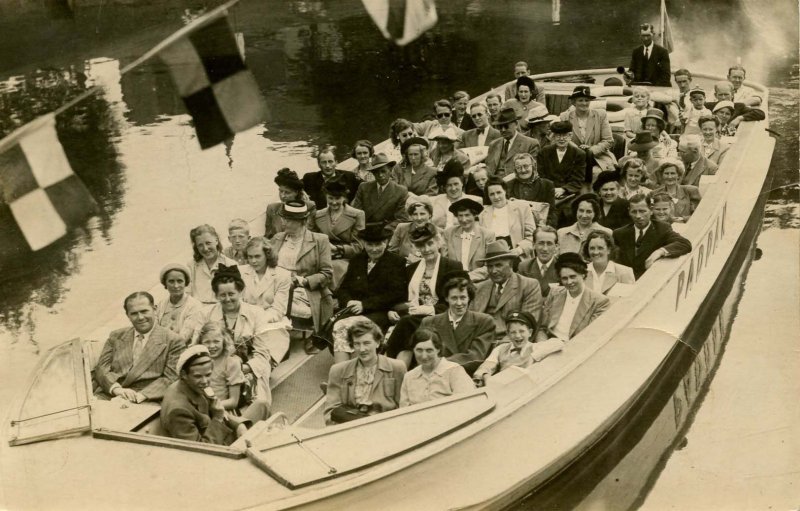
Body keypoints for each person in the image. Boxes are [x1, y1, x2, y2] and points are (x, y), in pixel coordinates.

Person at [199, 266, 290, 407]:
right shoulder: (206, 314)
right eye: (222, 295)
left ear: (240, 292)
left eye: (232, 294)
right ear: (216, 295)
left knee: (258, 405)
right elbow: (196, 347)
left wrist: (240, 369)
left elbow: (262, 354)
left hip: (247, 369)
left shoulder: (256, 313)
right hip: (214, 369)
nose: (227, 299)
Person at [384, 224, 464, 367]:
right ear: (416, 248)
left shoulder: (452, 266)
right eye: (421, 246)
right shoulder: (411, 269)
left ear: (438, 242)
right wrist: (393, 310)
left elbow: (459, 300)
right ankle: (399, 376)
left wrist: (429, 309)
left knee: (406, 324)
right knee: (407, 331)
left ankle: (390, 368)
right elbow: (399, 298)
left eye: (430, 243)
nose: (426, 249)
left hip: (442, 317)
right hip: (413, 317)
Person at [94, 292, 185, 402]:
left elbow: (170, 378)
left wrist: (139, 396)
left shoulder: (173, 340)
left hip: (148, 399)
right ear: (127, 315)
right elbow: (101, 368)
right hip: (111, 394)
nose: (140, 317)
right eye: (134, 313)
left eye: (144, 311)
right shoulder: (116, 336)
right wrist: (116, 389)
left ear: (155, 309)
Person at [334, 225, 408, 359]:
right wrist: (349, 301)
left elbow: (397, 293)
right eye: (370, 244)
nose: (374, 249)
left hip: (381, 311)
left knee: (357, 330)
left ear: (385, 243)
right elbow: (343, 289)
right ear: (364, 244)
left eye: (378, 244)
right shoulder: (357, 260)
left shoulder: (396, 262)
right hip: (354, 310)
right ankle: (342, 373)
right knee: (339, 326)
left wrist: (364, 304)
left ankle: (360, 370)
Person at [270, 202, 334, 351]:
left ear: (301, 222)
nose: (283, 222)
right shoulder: (277, 238)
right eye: (283, 218)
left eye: (288, 219)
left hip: (305, 290)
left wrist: (303, 280)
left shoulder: (320, 240)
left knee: (277, 303)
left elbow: (327, 274)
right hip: (277, 286)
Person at [160, 345, 251, 445]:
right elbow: (200, 450)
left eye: (208, 375)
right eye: (198, 376)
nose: (205, 381)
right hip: (215, 450)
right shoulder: (177, 410)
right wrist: (218, 418)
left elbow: (218, 409)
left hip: (221, 436)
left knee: (261, 405)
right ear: (183, 374)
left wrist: (238, 425)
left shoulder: (193, 385)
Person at [324, 318, 406, 424]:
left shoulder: (397, 367)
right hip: (349, 426)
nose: (362, 349)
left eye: (366, 343)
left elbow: (403, 408)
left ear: (377, 343)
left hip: (385, 427)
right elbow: (330, 412)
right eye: (357, 344)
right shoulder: (338, 370)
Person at [418, 273, 496, 374]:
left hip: (468, 375)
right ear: (446, 298)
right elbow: (422, 354)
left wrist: (441, 364)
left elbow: (475, 356)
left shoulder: (484, 321)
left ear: (469, 298)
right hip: (434, 375)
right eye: (454, 298)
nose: (459, 303)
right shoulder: (429, 322)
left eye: (463, 298)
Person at [469, 240, 543, 338]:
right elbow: (470, 321)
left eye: (498, 265)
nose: (493, 271)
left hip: (512, 340)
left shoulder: (529, 285)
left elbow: (527, 324)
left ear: (511, 264)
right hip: (480, 340)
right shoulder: (480, 287)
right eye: (490, 266)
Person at [196, 321, 268, 420]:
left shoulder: (231, 362)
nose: (212, 346)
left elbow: (233, 401)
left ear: (224, 341)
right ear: (200, 343)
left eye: (216, 341)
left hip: (222, 410)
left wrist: (209, 407)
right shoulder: (198, 360)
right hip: (198, 408)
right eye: (207, 342)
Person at [472, 311, 564, 386]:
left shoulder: (535, 347)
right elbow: (487, 365)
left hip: (524, 388)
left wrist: (532, 357)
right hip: (501, 386)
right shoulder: (501, 349)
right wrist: (485, 375)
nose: (518, 336)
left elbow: (558, 343)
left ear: (530, 332)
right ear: (508, 334)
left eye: (522, 331)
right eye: (513, 332)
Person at [612, 193, 692, 279]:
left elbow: (684, 244)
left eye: (642, 211)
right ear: (629, 211)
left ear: (651, 210)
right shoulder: (619, 233)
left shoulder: (662, 228)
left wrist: (660, 252)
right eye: (634, 212)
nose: (638, 216)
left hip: (650, 280)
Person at [536, 252, 611, 341]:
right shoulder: (554, 293)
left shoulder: (600, 302)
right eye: (564, 278)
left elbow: (591, 336)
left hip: (576, 347)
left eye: (573, 277)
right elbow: (542, 328)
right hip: (549, 344)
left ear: (583, 274)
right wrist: (543, 344)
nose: (569, 282)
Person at [310, 177, 365, 288]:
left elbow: (359, 246)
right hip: (320, 256)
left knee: (334, 269)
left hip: (344, 258)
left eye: (338, 198)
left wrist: (337, 249)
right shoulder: (317, 215)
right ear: (325, 197)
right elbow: (309, 239)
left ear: (344, 197)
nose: (334, 202)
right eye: (330, 198)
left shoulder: (357, 214)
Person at [399, 328, 475, 407]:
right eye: (419, 350)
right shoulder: (409, 377)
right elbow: (404, 410)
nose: (424, 356)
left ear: (438, 349)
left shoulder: (454, 370)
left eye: (429, 350)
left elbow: (466, 404)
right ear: (413, 350)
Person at [559, 86, 616, 180]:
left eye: (587, 100)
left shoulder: (601, 115)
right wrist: (578, 150)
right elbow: (563, 138)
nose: (584, 103)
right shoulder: (565, 117)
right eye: (580, 100)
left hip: (599, 157)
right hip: (573, 157)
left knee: (597, 174)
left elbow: (608, 140)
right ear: (573, 102)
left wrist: (590, 150)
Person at [537, 120, 586, 224]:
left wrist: (564, 189)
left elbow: (578, 178)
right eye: (558, 135)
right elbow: (541, 175)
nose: (562, 139)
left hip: (570, 193)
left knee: (568, 212)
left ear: (570, 136)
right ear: (553, 137)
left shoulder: (579, 154)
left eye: (565, 135)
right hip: (548, 191)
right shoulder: (544, 152)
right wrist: (552, 189)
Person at [480, 176, 535, 257]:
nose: (496, 197)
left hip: (518, 254)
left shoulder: (522, 208)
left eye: (499, 192)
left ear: (505, 191)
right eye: (492, 194)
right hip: (493, 256)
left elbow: (532, 237)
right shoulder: (483, 214)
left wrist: (519, 250)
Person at [352, 153, 409, 231]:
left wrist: (385, 229)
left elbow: (402, 219)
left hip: (387, 231)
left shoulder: (401, 191)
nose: (380, 175)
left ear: (390, 170)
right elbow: (356, 212)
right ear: (372, 173)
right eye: (376, 172)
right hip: (364, 230)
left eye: (383, 171)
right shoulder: (364, 187)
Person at [442, 197, 495, 281]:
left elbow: (489, 265)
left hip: (479, 281)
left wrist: (468, 277)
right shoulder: (449, 233)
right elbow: (444, 262)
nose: (464, 220)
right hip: (453, 280)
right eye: (460, 215)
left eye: (467, 215)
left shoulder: (487, 235)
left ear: (475, 215)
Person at [240, 236, 291, 320]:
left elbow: (278, 310)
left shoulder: (282, 275)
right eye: (250, 257)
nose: (253, 261)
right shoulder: (240, 272)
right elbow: (238, 302)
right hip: (244, 319)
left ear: (267, 255)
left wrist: (258, 319)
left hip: (270, 321)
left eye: (257, 256)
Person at [187, 224, 238, 304]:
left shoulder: (230, 264)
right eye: (200, 245)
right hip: (197, 311)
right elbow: (187, 294)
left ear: (216, 241)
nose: (205, 248)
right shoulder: (191, 265)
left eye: (208, 243)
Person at [155, 263, 204, 344]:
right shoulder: (161, 305)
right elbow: (154, 331)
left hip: (182, 348)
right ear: (165, 284)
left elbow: (184, 337)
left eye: (180, 281)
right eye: (171, 281)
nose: (176, 285)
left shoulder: (194, 305)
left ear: (185, 283)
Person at [485, 106, 540, 178]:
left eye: (506, 126)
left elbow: (532, 170)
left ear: (516, 124)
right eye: (500, 127)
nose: (503, 130)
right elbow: (489, 168)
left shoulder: (531, 144)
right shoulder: (493, 144)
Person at [506, 153, 557, 227]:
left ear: (533, 166)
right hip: (516, 226)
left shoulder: (547, 185)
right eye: (519, 167)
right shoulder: (508, 185)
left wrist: (547, 227)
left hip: (539, 227)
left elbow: (552, 212)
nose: (523, 170)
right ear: (515, 169)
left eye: (526, 166)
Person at [302, 145, 359, 209]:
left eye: (330, 161)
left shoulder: (349, 176)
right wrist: (302, 193)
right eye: (324, 162)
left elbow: (363, 189)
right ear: (318, 164)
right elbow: (293, 184)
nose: (327, 166)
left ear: (336, 162)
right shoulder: (309, 178)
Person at [264, 168, 315, 239]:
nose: (282, 195)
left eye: (287, 192)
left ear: (296, 192)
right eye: (281, 191)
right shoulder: (272, 208)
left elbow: (309, 232)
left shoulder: (309, 207)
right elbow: (268, 236)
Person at [431, 160, 482, 229]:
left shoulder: (475, 200)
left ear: (462, 183)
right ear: (445, 187)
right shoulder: (434, 200)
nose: (453, 188)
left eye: (456, 184)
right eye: (449, 185)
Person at [388, 196, 440, 264]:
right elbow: (391, 254)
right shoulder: (402, 228)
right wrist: (404, 261)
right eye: (415, 214)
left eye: (422, 214)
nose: (419, 218)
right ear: (410, 216)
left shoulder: (438, 232)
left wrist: (419, 262)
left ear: (430, 214)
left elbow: (441, 259)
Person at [651, 159, 702, 223]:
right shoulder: (654, 193)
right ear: (662, 175)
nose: (670, 177)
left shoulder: (691, 191)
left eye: (673, 173)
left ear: (679, 175)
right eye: (666, 173)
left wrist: (683, 219)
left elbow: (699, 214)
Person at [518, 226, 561, 297]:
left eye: (549, 244)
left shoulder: (562, 267)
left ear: (556, 247)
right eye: (541, 243)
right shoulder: (524, 267)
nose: (545, 249)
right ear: (533, 245)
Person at [628, 22, 671, 87]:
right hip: (639, 88)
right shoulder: (636, 52)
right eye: (643, 35)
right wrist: (628, 76)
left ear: (653, 34)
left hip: (657, 88)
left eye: (648, 35)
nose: (645, 38)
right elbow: (632, 71)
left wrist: (653, 88)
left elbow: (666, 76)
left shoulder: (662, 52)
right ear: (640, 35)